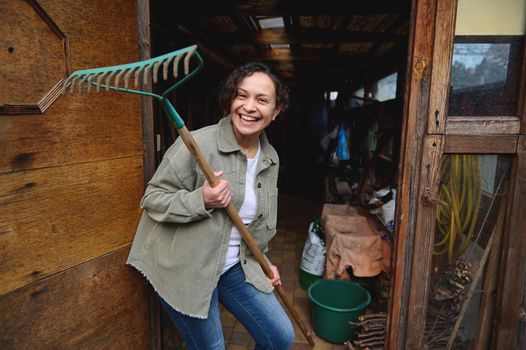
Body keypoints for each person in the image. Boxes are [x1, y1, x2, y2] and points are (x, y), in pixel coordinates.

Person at [127, 62, 294, 350]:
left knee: (280, 337)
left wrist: (264, 261)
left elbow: (256, 222)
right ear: (231, 100)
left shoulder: (270, 157)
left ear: (276, 111)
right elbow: (152, 198)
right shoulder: (198, 143)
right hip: (187, 266)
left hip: (233, 266)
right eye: (241, 96)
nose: (249, 107)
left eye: (262, 100)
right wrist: (200, 199)